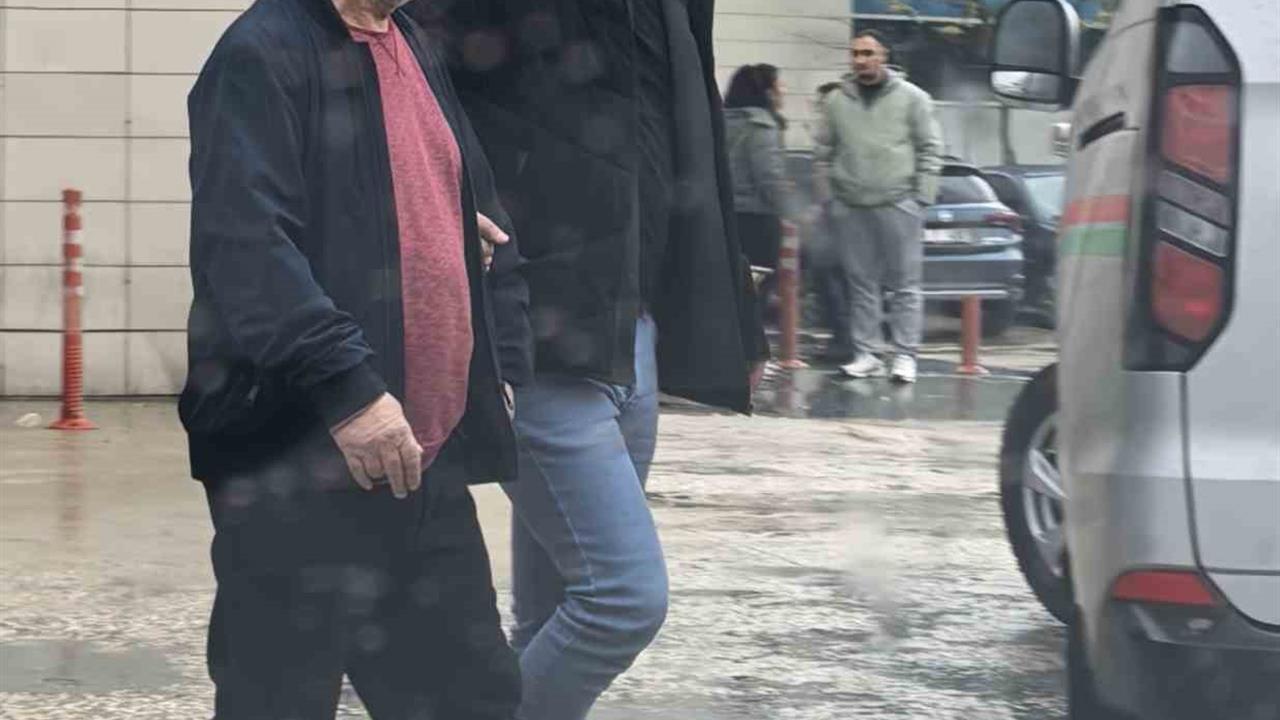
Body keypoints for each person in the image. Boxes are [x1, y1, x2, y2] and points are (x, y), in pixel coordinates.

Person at [417, 2, 770, 719]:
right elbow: (409, 81)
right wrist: (455, 215)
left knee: (554, 615)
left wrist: (737, 314)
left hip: (632, 328)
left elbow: (695, 140)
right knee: (620, 600)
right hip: (537, 323)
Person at [181, 0, 532, 717]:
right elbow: (247, 246)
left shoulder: (410, 41)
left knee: (474, 697)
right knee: (279, 700)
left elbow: (482, 216)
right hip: (297, 466)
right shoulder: (262, 52)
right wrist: (350, 392)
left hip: (421, 463)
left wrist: (502, 369)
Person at [814, 29, 943, 383]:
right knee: (861, 285)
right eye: (855, 53)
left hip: (898, 202)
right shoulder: (836, 101)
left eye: (868, 53)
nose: (860, 60)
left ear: (883, 56)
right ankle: (867, 353)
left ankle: (905, 355)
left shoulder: (913, 98)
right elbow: (823, 152)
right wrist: (829, 199)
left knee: (905, 284)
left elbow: (930, 148)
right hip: (851, 205)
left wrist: (921, 197)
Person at [723, 64, 799, 293]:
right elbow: (769, 177)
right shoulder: (761, 126)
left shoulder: (719, 122)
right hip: (756, 220)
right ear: (767, 92)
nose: (784, 90)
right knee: (756, 288)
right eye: (779, 85)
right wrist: (793, 210)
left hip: (722, 216)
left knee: (729, 287)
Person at [807, 81, 854, 362]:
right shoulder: (828, 136)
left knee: (837, 278)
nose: (821, 110)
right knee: (831, 279)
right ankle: (843, 338)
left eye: (824, 104)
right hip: (832, 214)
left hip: (842, 215)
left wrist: (826, 204)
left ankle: (845, 340)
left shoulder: (845, 135)